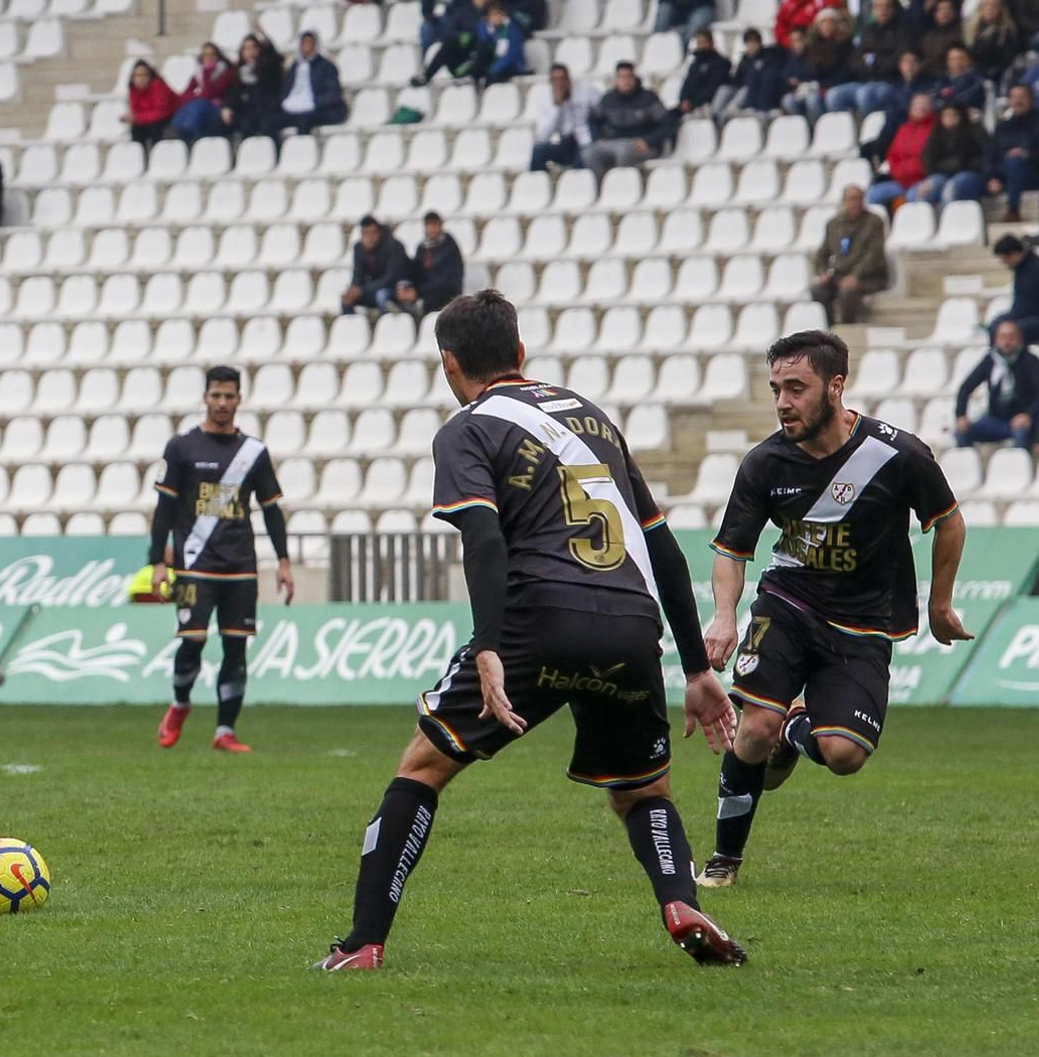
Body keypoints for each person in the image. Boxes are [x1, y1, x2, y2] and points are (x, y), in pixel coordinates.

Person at [314, 290, 745, 972]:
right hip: (631, 625)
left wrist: (488, 643)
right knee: (642, 790)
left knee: (422, 768)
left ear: (449, 363)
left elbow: (483, 538)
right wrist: (696, 669)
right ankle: (679, 900)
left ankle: (364, 942)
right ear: (521, 352)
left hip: (536, 620)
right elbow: (661, 544)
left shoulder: (469, 428)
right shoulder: (594, 420)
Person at [696, 330, 971, 890]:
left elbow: (949, 520)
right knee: (753, 730)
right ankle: (724, 860)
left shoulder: (897, 454)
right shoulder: (764, 464)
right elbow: (731, 551)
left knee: (844, 754)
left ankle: (796, 727)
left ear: (836, 386)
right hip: (788, 604)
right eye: (776, 388)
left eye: (796, 388)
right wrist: (725, 615)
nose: (782, 402)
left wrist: (940, 604)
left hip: (863, 625)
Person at [150, 366, 292, 755]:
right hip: (194, 563)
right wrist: (158, 562)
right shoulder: (181, 448)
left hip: (240, 566)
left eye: (229, 396)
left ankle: (225, 731)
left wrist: (283, 560)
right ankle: (180, 703)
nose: (223, 403)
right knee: (192, 641)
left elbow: (272, 510)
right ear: (205, 397)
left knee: (236, 648)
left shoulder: (254, 453)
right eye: (216, 395)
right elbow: (164, 509)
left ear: (239, 399)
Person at [953, 318, 1039, 447]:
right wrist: (961, 415)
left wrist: (1028, 415)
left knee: (1021, 435)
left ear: (1019, 338)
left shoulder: (1030, 361)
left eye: (1011, 337)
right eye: (1002, 337)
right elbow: (966, 387)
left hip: (1020, 420)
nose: (1007, 342)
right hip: (995, 420)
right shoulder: (991, 360)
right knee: (962, 432)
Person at [581, 62, 671, 185]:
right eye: (622, 77)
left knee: (624, 152)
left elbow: (667, 124)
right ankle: (601, 187)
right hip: (613, 141)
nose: (626, 81)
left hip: (641, 143)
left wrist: (649, 141)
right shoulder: (608, 99)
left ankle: (620, 187)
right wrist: (597, 137)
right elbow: (593, 119)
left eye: (629, 77)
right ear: (616, 79)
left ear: (635, 78)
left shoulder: (648, 98)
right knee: (589, 153)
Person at [811, 185, 889, 325]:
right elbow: (822, 253)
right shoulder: (834, 224)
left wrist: (856, 275)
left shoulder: (874, 222)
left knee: (848, 291)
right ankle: (830, 326)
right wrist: (823, 272)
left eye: (859, 199)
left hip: (869, 277)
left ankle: (847, 327)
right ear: (844, 201)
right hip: (840, 274)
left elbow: (874, 255)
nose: (855, 203)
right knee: (818, 290)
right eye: (852, 199)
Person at [986, 84, 1039, 223]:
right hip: (1003, 177)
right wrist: (992, 178)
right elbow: (990, 156)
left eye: (1022, 97)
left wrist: (1026, 154)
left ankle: (1013, 210)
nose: (1017, 101)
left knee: (1014, 160)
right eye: (1014, 97)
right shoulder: (1002, 127)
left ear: (1031, 100)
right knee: (968, 181)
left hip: (1034, 174)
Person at [411, 0, 528, 86]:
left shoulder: (512, 29)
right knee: (451, 44)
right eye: (493, 15)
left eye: (499, 14)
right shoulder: (482, 27)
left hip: (501, 69)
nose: (496, 18)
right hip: (480, 66)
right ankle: (427, 76)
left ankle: (471, 75)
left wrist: (493, 71)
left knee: (483, 50)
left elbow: (512, 55)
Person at [826, 0, 910, 115]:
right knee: (834, 95)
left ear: (894, 8)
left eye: (887, 7)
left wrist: (873, 63)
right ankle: (849, 129)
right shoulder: (868, 31)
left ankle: (870, 129)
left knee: (865, 94)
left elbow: (897, 61)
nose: (883, 10)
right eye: (878, 7)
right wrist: (871, 64)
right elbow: (855, 61)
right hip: (865, 81)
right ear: (873, 10)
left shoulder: (902, 31)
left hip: (890, 82)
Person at [866, 92, 935, 209]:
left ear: (931, 108)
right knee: (873, 194)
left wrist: (916, 171)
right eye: (917, 104)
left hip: (922, 180)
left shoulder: (935, 129)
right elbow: (892, 155)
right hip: (900, 180)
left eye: (924, 104)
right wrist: (899, 173)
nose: (920, 107)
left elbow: (931, 157)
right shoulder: (904, 129)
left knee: (912, 197)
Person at [784, 8, 853, 121]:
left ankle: (821, 127)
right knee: (789, 100)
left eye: (830, 22)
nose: (827, 26)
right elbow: (807, 70)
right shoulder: (813, 46)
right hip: (814, 87)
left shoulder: (844, 45)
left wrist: (818, 85)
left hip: (834, 86)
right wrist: (802, 83)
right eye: (824, 23)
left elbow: (844, 73)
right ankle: (806, 129)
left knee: (813, 100)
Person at [990, 234, 1039, 342]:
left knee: (1013, 330)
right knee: (996, 325)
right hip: (1020, 315)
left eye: (1004, 259)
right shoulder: (1019, 270)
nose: (1005, 264)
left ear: (1013, 255)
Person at [916, 101, 988, 204]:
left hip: (970, 174)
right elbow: (928, 160)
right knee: (922, 192)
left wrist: (947, 166)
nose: (950, 118)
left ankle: (949, 219)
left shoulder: (974, 130)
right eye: (946, 115)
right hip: (941, 175)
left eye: (954, 114)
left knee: (951, 189)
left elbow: (982, 157)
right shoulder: (936, 135)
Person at [530, 64, 598, 171]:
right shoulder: (546, 101)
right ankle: (537, 184)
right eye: (555, 80)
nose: (559, 83)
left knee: (581, 158)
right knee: (539, 150)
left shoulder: (587, 92)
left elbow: (602, 113)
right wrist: (557, 107)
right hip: (564, 143)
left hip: (585, 141)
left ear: (568, 79)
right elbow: (543, 136)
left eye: (562, 79)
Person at [279, 31, 347, 134]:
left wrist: (313, 102)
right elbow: (287, 89)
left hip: (320, 109)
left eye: (309, 43)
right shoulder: (295, 67)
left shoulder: (326, 67)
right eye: (303, 43)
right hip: (295, 108)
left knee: (303, 121)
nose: (306, 46)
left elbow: (333, 94)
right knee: (270, 121)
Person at [342, 215, 411, 315]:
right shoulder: (358, 248)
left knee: (382, 296)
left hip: (396, 289)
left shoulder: (394, 246)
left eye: (373, 233)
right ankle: (350, 328)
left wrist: (362, 290)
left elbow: (390, 278)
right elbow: (358, 274)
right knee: (347, 299)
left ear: (379, 233)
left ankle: (387, 325)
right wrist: (353, 290)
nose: (369, 237)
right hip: (372, 289)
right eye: (365, 233)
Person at [398, 211, 464, 314]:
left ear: (440, 225)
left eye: (434, 224)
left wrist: (419, 292)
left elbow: (447, 280)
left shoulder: (450, 247)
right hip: (426, 291)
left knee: (433, 298)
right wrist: (406, 285)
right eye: (428, 224)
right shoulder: (422, 248)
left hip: (445, 293)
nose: (431, 228)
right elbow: (416, 271)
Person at [715, 28, 790, 119]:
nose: (751, 46)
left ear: (760, 43)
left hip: (757, 95)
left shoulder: (768, 57)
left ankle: (732, 113)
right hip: (744, 92)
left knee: (746, 89)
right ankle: (719, 115)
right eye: (749, 43)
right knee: (726, 89)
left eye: (754, 43)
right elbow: (737, 79)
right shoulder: (744, 60)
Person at [222, 32, 284, 139]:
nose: (250, 51)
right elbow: (234, 94)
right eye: (246, 48)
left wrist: (264, 36)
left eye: (253, 47)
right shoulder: (239, 72)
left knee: (267, 126)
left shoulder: (268, 67)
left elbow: (274, 56)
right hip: (248, 112)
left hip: (268, 110)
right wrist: (227, 108)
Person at [171, 42, 235, 142]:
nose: (208, 58)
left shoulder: (226, 73)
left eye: (212, 54)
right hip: (202, 107)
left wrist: (207, 73)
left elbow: (211, 93)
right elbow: (185, 95)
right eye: (205, 55)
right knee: (192, 106)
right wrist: (198, 95)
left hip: (218, 108)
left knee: (199, 105)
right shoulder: (199, 72)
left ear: (218, 56)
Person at [124, 60, 180, 149]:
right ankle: (140, 158)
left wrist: (137, 117)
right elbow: (136, 111)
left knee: (156, 128)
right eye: (137, 75)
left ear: (150, 76)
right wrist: (134, 118)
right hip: (150, 120)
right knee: (136, 129)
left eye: (144, 75)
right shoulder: (133, 90)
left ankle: (158, 158)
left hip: (171, 117)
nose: (141, 79)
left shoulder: (158, 86)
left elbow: (160, 113)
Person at [965, 0, 1023, 85]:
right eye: (987, 5)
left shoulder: (1007, 31)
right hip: (972, 71)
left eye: (994, 5)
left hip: (995, 74)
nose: (990, 8)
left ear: (1001, 9)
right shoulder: (971, 29)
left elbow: (1007, 59)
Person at [679, 28, 730, 115]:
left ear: (711, 43)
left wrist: (693, 103)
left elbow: (712, 87)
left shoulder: (720, 63)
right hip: (690, 105)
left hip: (706, 104)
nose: (700, 45)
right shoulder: (695, 64)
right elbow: (687, 84)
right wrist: (683, 99)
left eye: (703, 42)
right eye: (699, 42)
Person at [917, 0, 963, 76]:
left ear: (954, 12)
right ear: (935, 14)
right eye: (940, 9)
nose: (945, 13)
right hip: (930, 77)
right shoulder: (928, 37)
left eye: (948, 9)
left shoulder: (960, 33)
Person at [933, 44, 985, 111]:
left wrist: (945, 103)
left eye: (961, 58)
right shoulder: (941, 81)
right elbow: (935, 100)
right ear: (947, 62)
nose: (957, 63)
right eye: (953, 59)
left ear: (969, 59)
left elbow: (966, 99)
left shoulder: (978, 79)